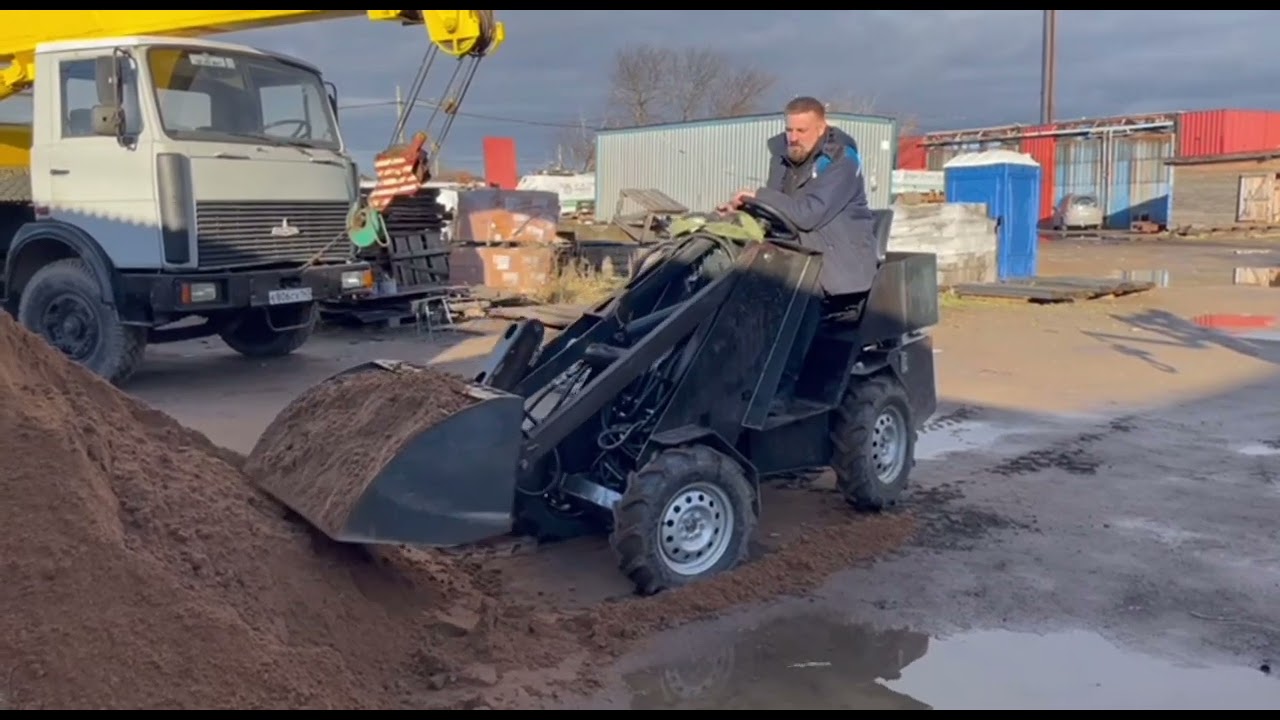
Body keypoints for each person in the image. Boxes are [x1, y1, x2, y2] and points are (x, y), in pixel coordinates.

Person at [719, 96, 879, 410]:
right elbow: (776, 206)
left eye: (802, 130)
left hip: (836, 259)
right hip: (796, 250)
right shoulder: (783, 156)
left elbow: (807, 214)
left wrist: (758, 195)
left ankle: (779, 392)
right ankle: (730, 377)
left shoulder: (841, 162)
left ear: (822, 127)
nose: (793, 137)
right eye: (789, 129)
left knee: (796, 296)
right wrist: (741, 210)